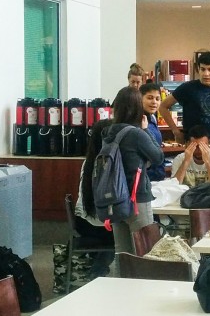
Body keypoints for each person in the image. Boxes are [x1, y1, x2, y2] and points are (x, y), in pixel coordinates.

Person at [109, 87, 164, 261]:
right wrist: (146, 129)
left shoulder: (108, 132)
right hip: (136, 197)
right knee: (146, 251)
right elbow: (158, 157)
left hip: (114, 197)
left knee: (122, 253)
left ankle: (122, 286)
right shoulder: (137, 134)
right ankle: (145, 287)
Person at [159, 52, 210, 143]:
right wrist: (175, 131)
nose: (206, 74)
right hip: (194, 143)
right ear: (198, 69)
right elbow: (163, 106)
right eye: (203, 69)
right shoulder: (188, 88)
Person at [75, 119, 115, 278]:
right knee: (125, 231)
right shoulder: (106, 163)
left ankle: (98, 271)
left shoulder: (89, 160)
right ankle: (97, 273)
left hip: (82, 221)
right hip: (96, 225)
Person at [139, 83, 166, 181]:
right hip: (145, 178)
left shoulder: (153, 118)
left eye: (157, 99)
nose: (154, 102)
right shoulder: (138, 121)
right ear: (140, 99)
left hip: (158, 174)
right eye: (150, 98)